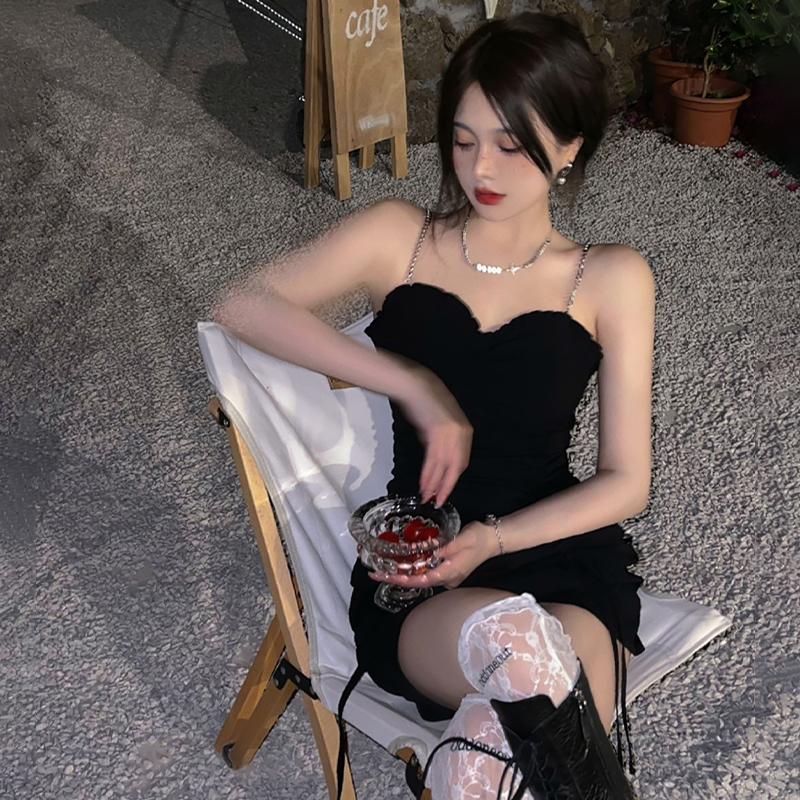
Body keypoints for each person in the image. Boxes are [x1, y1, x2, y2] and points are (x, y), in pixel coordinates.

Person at [212, 11, 655, 799]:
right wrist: (414, 383)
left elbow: (628, 482)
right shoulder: (400, 237)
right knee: (523, 657)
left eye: (512, 144)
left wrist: (497, 539)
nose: (481, 167)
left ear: (570, 149)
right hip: (426, 569)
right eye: (462, 138)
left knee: (489, 754)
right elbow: (241, 305)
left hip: (556, 555)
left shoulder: (611, 277)